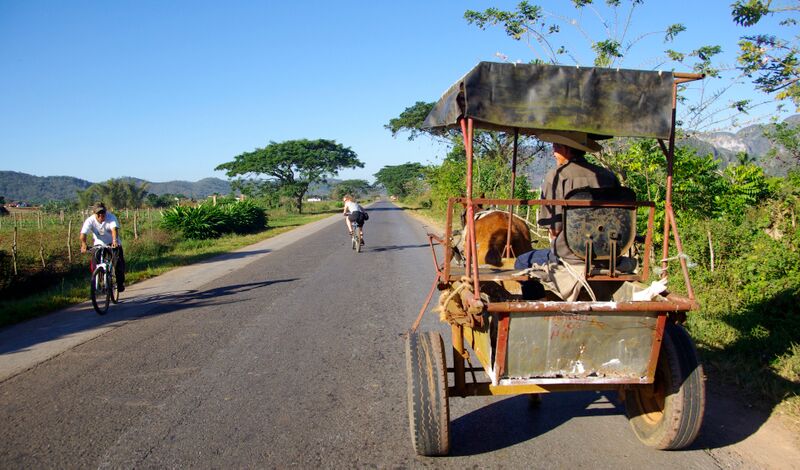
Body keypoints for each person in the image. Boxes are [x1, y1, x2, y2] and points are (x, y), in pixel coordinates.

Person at [516, 133, 621, 298]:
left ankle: (536, 305)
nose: (553, 152)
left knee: (522, 261)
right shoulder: (608, 176)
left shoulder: (557, 176)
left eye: (555, 147)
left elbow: (555, 229)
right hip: (609, 253)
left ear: (566, 149)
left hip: (572, 255)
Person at [80, 202, 125, 292]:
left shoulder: (111, 217)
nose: (101, 215)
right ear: (94, 213)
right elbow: (83, 234)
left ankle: (120, 283)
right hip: (99, 244)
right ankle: (100, 280)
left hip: (112, 243)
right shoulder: (90, 220)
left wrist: (115, 241)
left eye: (103, 212)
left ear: (105, 212)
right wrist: (84, 244)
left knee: (118, 264)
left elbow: (114, 230)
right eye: (98, 213)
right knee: (94, 264)